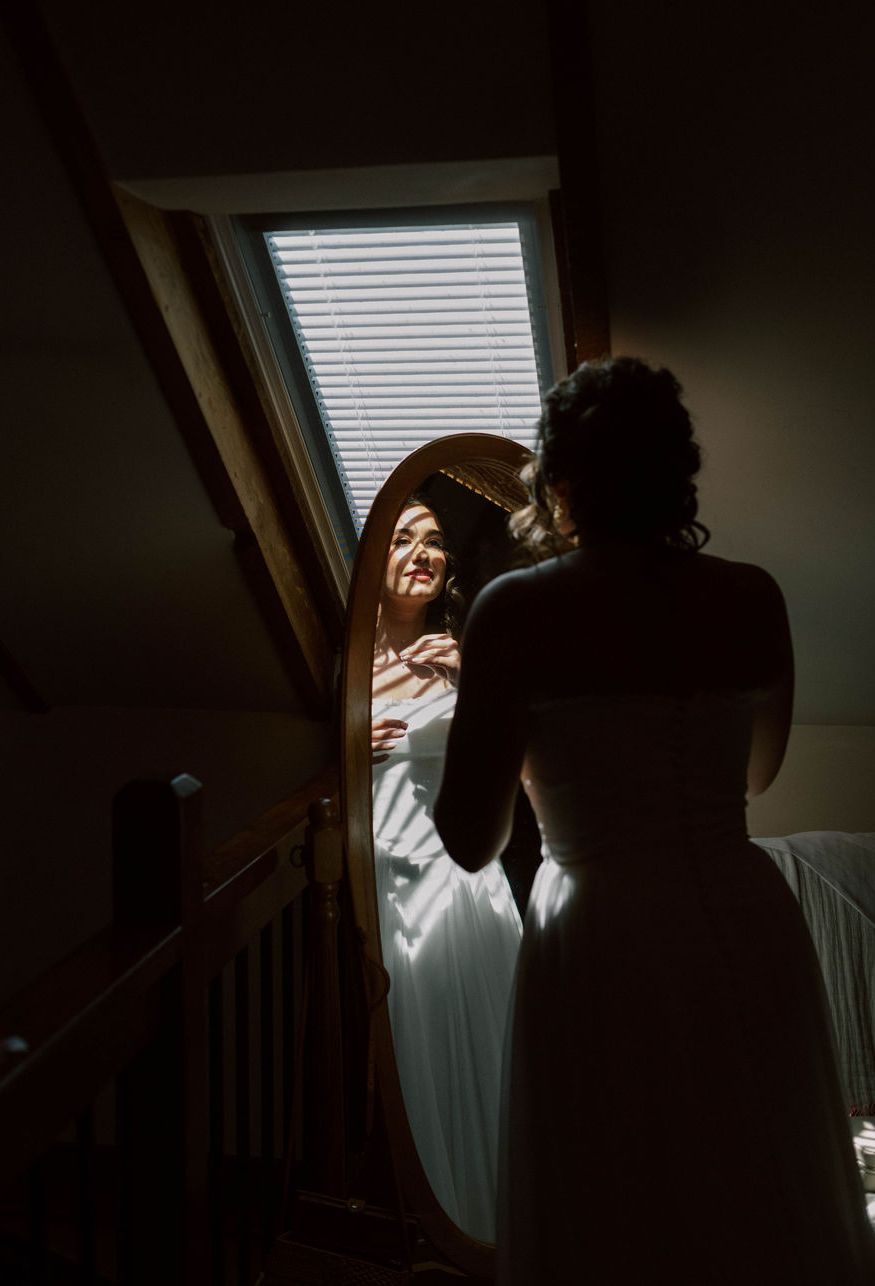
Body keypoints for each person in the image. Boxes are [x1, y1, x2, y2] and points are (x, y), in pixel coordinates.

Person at [434, 360, 875, 1284]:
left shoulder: (514, 609)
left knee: (621, 1195)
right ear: (678, 472)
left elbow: (468, 841)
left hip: (601, 934)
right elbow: (756, 776)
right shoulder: (752, 595)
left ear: (561, 483)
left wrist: (532, 753)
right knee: (755, 1172)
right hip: (743, 917)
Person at [370, 495, 522, 1243]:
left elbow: (524, 756)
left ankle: (511, 1224)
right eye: (403, 540)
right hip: (393, 886)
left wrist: (472, 666)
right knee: (415, 1052)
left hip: (468, 880)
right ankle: (432, 1223)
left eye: (435, 543)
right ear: (372, 557)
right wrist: (344, 737)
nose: (423, 554)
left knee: (498, 1046)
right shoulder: (339, 666)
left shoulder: (465, 649)